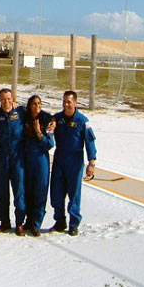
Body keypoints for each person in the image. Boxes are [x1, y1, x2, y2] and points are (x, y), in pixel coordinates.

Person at [50, 90, 97, 236]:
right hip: (59, 160)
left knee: (74, 194)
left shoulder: (83, 121)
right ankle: (60, 221)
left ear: (75, 103)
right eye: (64, 101)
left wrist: (91, 163)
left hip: (75, 162)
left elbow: (90, 142)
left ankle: (73, 223)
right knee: (56, 193)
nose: (66, 104)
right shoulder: (57, 118)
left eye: (69, 102)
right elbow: (45, 120)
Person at [0, 87, 26, 236]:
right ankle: (4, 222)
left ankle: (19, 222)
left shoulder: (21, 112)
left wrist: (52, 122)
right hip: (2, 156)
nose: (6, 101)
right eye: (3, 99)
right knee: (2, 190)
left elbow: (41, 115)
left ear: (13, 99)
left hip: (17, 156)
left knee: (19, 190)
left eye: (9, 99)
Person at [23, 95, 54, 236]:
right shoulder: (24, 118)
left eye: (39, 103)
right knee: (27, 192)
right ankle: (28, 221)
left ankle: (36, 223)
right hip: (27, 160)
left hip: (40, 160)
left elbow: (50, 144)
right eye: (34, 104)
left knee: (40, 192)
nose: (37, 106)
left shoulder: (46, 120)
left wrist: (38, 133)